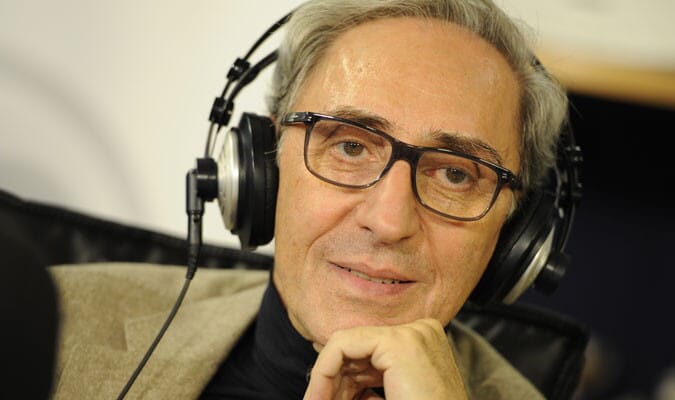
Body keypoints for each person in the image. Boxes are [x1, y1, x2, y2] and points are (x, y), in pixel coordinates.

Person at [47, 0, 574, 399]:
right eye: (350, 146)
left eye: (455, 174)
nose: (389, 221)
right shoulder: (53, 321)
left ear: (513, 233)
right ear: (264, 164)